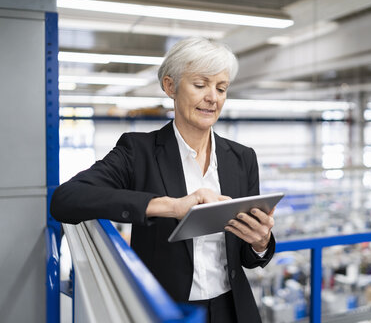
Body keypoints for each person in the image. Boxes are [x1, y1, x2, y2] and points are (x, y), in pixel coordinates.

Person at [51, 37, 276, 323]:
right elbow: (66, 199)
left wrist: (260, 242)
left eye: (221, 88)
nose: (213, 97)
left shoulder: (242, 158)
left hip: (233, 310)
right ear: (170, 86)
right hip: (167, 310)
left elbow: (248, 256)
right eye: (200, 85)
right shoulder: (138, 151)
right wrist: (171, 206)